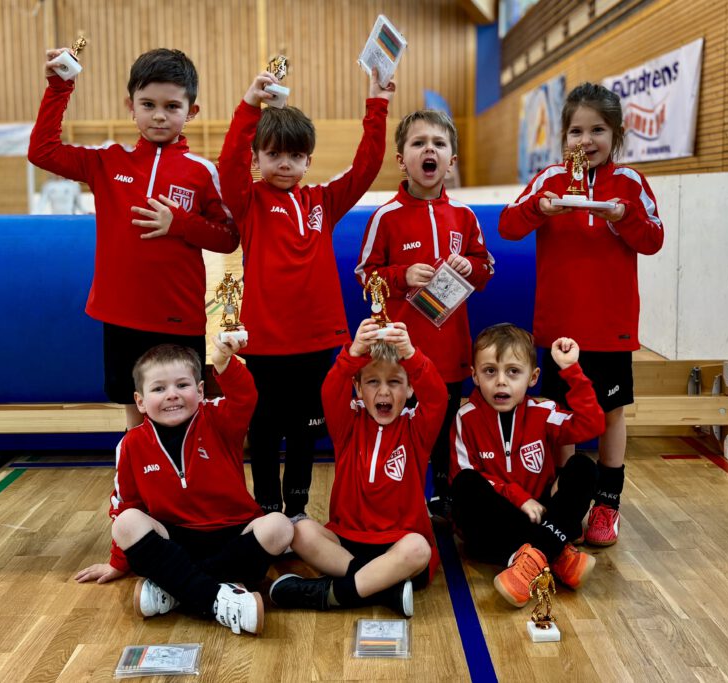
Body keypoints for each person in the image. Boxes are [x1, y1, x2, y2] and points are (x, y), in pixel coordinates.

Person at [218, 67, 395, 520]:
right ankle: (266, 509)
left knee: (304, 433)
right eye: (274, 154)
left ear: (308, 161)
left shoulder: (323, 201)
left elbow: (366, 166)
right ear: (257, 158)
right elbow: (227, 164)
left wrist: (377, 103)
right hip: (266, 345)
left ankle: (296, 509)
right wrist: (249, 106)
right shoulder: (248, 202)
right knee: (264, 432)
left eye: (295, 156)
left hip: (316, 343)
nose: (284, 164)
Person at [29, 47, 239, 430]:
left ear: (191, 111)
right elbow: (42, 152)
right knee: (134, 410)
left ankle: (184, 469)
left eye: (172, 106)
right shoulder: (107, 161)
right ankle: (134, 468)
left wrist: (180, 223)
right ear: (131, 106)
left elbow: (228, 238)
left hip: (178, 317)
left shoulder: (202, 172)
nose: (159, 115)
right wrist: (59, 88)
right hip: (120, 315)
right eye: (148, 104)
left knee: (184, 412)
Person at [498, 82, 664, 546]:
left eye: (597, 130)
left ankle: (607, 505)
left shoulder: (629, 184)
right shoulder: (549, 180)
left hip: (610, 328)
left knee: (610, 414)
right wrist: (538, 209)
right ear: (563, 136)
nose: (585, 140)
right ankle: (566, 502)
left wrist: (623, 218)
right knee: (559, 415)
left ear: (616, 134)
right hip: (559, 328)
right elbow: (508, 225)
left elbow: (654, 239)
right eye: (576, 131)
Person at [73, 337, 294, 635]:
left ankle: (175, 590)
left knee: (280, 526)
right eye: (158, 389)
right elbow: (126, 503)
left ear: (200, 391)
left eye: (182, 385)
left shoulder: (220, 420)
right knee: (126, 523)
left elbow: (245, 397)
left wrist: (224, 364)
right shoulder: (132, 444)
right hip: (175, 541)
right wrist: (118, 563)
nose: (172, 395)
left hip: (233, 536)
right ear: (140, 401)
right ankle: (218, 597)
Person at [355, 109, 494, 521]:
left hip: (450, 353)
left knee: (445, 428)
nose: (428, 149)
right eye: (418, 143)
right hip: (400, 354)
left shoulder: (465, 216)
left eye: (438, 143)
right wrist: (401, 276)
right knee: (404, 427)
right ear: (402, 159)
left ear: (451, 160)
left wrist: (471, 266)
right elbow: (364, 275)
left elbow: (486, 269)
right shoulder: (385, 216)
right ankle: (403, 495)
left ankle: (444, 496)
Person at [269, 319, 447, 617]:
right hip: (347, 542)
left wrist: (411, 354)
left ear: (410, 387)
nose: (384, 392)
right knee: (298, 531)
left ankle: (330, 594)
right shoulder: (348, 424)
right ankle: (381, 586)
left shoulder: (417, 428)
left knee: (419, 548)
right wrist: (353, 353)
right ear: (358, 387)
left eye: (394, 382)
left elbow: (437, 397)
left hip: (398, 544)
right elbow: (330, 390)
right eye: (373, 381)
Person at [449, 324, 604, 607]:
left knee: (583, 467)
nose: (501, 382)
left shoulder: (543, 412)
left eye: (513, 372)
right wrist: (519, 498)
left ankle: (531, 560)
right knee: (465, 485)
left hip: (540, 513)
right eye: (490, 371)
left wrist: (572, 371)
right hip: (496, 524)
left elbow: (592, 425)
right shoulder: (466, 417)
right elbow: (463, 474)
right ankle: (556, 554)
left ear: (532, 377)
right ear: (474, 375)